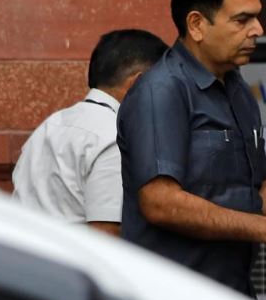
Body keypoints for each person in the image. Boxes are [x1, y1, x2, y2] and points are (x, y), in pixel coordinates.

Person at [117, 0, 266, 296]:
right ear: (197, 25)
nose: (258, 29)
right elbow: (160, 201)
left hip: (230, 293)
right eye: (242, 20)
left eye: (257, 16)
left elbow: (260, 186)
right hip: (172, 299)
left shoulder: (235, 88)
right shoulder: (161, 91)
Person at [12, 29, 168, 236]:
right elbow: (106, 235)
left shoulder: (51, 124)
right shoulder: (114, 137)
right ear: (138, 83)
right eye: (165, 85)